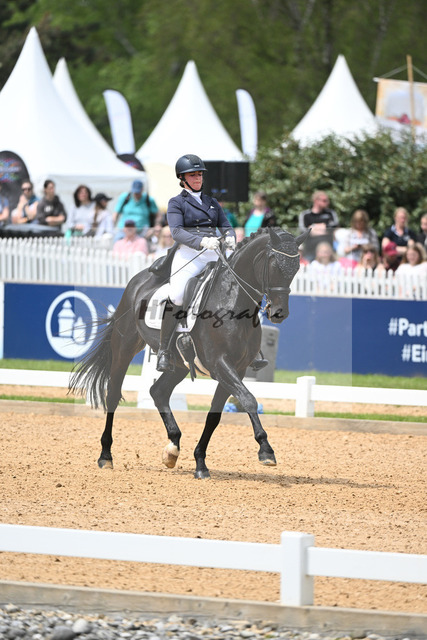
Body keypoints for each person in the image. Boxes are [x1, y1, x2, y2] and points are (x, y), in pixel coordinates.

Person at [156, 154, 236, 372]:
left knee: (237, 287)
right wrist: (201, 241)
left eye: (200, 174)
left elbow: (225, 224)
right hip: (189, 253)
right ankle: (164, 350)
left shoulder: (212, 202)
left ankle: (250, 346)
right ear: (182, 178)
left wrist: (230, 236)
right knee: (177, 295)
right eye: (193, 175)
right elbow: (176, 232)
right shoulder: (176, 202)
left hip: (214, 252)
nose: (198, 178)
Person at [298, 190, 339, 261]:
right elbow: (303, 231)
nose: (327, 203)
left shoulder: (330, 213)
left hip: (328, 251)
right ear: (316, 200)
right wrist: (322, 228)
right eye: (324, 200)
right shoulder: (305, 215)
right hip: (310, 251)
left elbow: (334, 226)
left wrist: (314, 228)